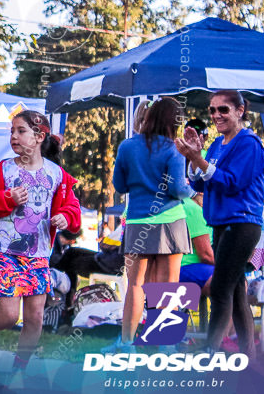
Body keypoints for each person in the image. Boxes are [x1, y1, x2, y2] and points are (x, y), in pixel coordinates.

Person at [0, 110, 81, 371]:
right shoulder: (4, 169)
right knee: (9, 315)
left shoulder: (57, 175)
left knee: (35, 318)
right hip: (4, 252)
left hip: (38, 255)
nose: (14, 136)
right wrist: (7, 198)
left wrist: (64, 218)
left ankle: (19, 369)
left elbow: (73, 211)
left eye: (21, 131)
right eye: (11, 131)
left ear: (39, 136)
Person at [176, 89, 264, 358]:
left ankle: (210, 351)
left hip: (241, 223)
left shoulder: (249, 144)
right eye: (212, 110)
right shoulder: (216, 144)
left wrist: (197, 159)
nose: (216, 115)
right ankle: (247, 353)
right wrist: (193, 159)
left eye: (223, 110)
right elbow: (197, 183)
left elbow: (232, 182)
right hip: (220, 222)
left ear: (240, 111)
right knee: (236, 289)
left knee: (220, 288)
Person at [107, 97, 194, 352]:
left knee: (135, 287)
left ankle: (126, 344)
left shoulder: (127, 146)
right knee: (168, 287)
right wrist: (192, 191)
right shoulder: (174, 149)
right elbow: (178, 189)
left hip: (137, 221)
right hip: (170, 222)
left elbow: (120, 186)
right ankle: (165, 345)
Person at [178, 192, 215, 291]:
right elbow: (206, 255)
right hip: (185, 267)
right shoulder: (192, 208)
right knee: (232, 279)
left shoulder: (180, 203)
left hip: (169, 268)